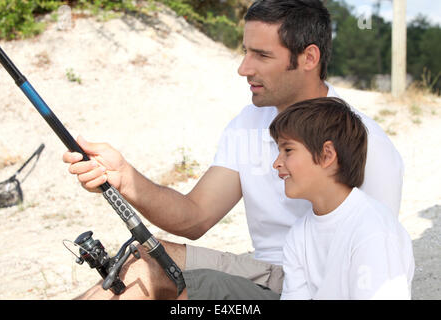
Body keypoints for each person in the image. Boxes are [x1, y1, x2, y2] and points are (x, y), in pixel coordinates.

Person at [63, 0, 404, 300]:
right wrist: (124, 178)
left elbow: (375, 255)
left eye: (262, 55)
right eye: (246, 51)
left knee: (154, 280)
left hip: (319, 287)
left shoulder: (367, 143)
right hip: (268, 273)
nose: (244, 68)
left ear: (309, 57)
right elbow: (194, 217)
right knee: (144, 259)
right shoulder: (248, 123)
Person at [177, 97, 414, 300]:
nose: (276, 163)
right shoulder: (301, 233)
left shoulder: (372, 230)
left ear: (327, 155)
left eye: (288, 150)